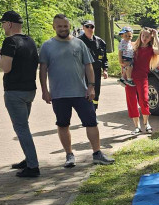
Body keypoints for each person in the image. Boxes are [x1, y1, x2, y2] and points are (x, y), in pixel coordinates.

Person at [39, 14, 114, 168]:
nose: (62, 29)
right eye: (59, 26)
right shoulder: (47, 46)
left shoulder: (79, 44)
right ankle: (69, 155)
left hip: (81, 92)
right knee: (63, 124)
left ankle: (97, 153)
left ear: (69, 27)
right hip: (59, 94)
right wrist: (44, 90)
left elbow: (88, 66)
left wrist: (91, 86)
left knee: (91, 122)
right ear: (54, 27)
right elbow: (43, 70)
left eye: (65, 26)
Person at [0, 10, 40, 178]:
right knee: (23, 126)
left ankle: (33, 166)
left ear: (10, 24)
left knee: (21, 128)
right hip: (30, 90)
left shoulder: (10, 41)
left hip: (14, 92)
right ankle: (28, 159)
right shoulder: (30, 41)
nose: (3, 26)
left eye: (3, 23)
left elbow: (6, 67)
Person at [124, 27, 159, 135]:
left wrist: (156, 35)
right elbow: (123, 58)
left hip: (142, 78)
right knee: (131, 101)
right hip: (130, 78)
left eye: (147, 36)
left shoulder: (151, 50)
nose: (144, 38)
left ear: (150, 38)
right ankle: (137, 127)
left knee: (144, 100)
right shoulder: (133, 47)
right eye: (143, 36)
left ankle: (147, 124)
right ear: (140, 36)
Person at [78, 19, 108, 110]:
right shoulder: (78, 41)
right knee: (85, 92)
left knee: (96, 92)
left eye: (92, 26)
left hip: (96, 71)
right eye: (87, 26)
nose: (90, 28)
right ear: (83, 28)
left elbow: (104, 58)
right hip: (83, 72)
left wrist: (105, 69)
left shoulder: (100, 42)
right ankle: (86, 112)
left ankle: (93, 111)